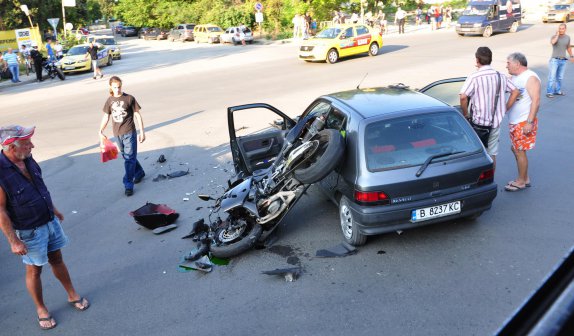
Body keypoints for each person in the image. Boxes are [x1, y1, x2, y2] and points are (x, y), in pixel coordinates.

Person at [0, 125, 89, 331]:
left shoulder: (27, 159)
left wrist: (54, 210)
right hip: (29, 231)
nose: (32, 145)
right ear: (12, 148)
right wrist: (14, 241)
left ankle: (72, 294)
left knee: (57, 259)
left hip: (49, 220)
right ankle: (41, 308)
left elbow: (40, 188)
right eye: (27, 143)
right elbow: (1, 210)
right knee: (34, 271)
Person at [460, 46, 519, 169]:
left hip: (478, 125)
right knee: (492, 154)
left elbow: (463, 97)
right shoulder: (500, 76)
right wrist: (505, 108)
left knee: (476, 154)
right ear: (490, 59)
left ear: (477, 60)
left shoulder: (474, 77)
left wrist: (466, 115)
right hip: (495, 124)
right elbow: (515, 91)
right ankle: (490, 179)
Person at [99, 76, 146, 196]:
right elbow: (106, 116)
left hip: (129, 132)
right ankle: (139, 172)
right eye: (115, 87)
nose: (117, 89)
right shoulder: (109, 100)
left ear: (121, 85)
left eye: (119, 87)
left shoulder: (129, 98)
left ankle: (128, 184)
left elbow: (137, 115)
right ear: (111, 87)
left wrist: (142, 131)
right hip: (117, 133)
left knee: (129, 158)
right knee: (127, 157)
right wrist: (100, 130)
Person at [505, 52, 541, 192]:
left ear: (517, 64)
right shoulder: (515, 77)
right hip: (515, 121)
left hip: (523, 121)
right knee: (515, 149)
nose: (506, 65)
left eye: (508, 63)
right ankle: (524, 178)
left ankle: (521, 181)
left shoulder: (530, 77)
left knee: (519, 150)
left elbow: (536, 101)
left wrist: (529, 122)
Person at [546, 23, 574, 98]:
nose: (561, 30)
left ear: (565, 29)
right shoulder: (554, 37)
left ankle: (557, 91)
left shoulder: (567, 37)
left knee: (560, 77)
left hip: (563, 60)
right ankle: (549, 92)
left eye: (562, 28)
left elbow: (568, 47)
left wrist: (571, 56)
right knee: (552, 77)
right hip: (554, 60)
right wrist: (557, 35)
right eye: (560, 28)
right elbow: (553, 42)